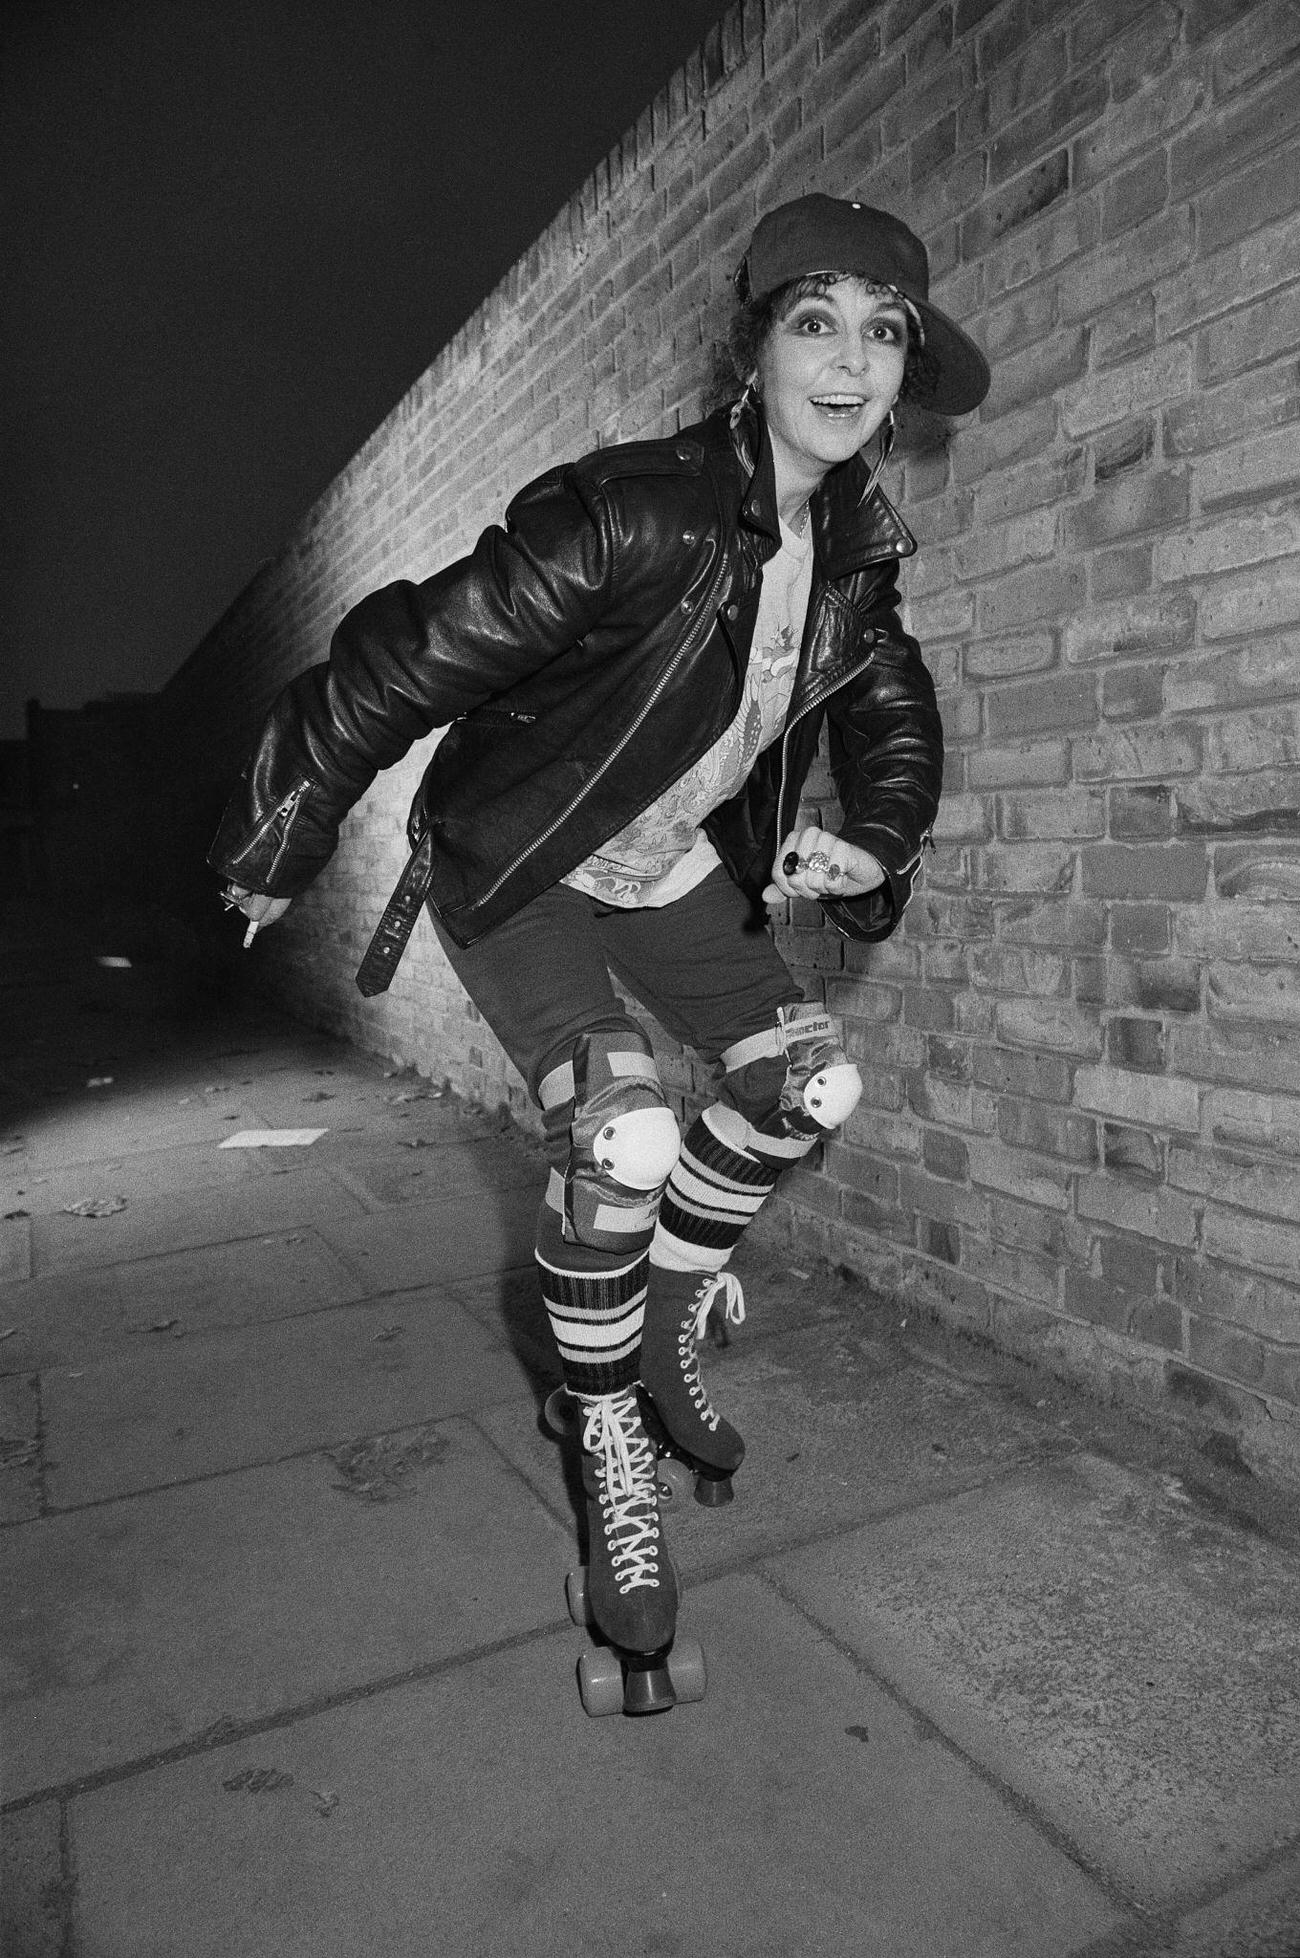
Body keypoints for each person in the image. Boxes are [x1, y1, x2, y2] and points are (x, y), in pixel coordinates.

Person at [210, 193, 990, 1713]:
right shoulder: (630, 510)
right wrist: (281, 830)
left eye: (882, 332)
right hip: (520, 860)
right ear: (753, 346)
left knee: (808, 1090)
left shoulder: (853, 551)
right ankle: (605, 1427)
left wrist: (879, 835)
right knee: (624, 1127)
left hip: (660, 862)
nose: (849, 361)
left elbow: (892, 708)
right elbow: (406, 650)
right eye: (812, 322)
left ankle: (669, 1311)